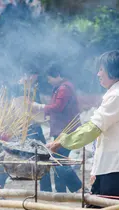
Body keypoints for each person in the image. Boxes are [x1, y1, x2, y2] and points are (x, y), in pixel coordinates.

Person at [47, 50, 119, 210]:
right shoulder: (113, 94)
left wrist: (62, 141)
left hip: (115, 166)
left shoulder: (117, 96)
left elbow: (93, 128)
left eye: (101, 69)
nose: (98, 74)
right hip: (108, 165)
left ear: (112, 72)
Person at [31, 63, 82, 193]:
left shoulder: (64, 88)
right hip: (61, 130)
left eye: (50, 78)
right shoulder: (61, 87)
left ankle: (79, 188)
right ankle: (61, 192)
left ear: (57, 75)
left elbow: (58, 106)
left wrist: (39, 106)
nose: (48, 81)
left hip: (66, 131)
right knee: (58, 161)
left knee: (59, 161)